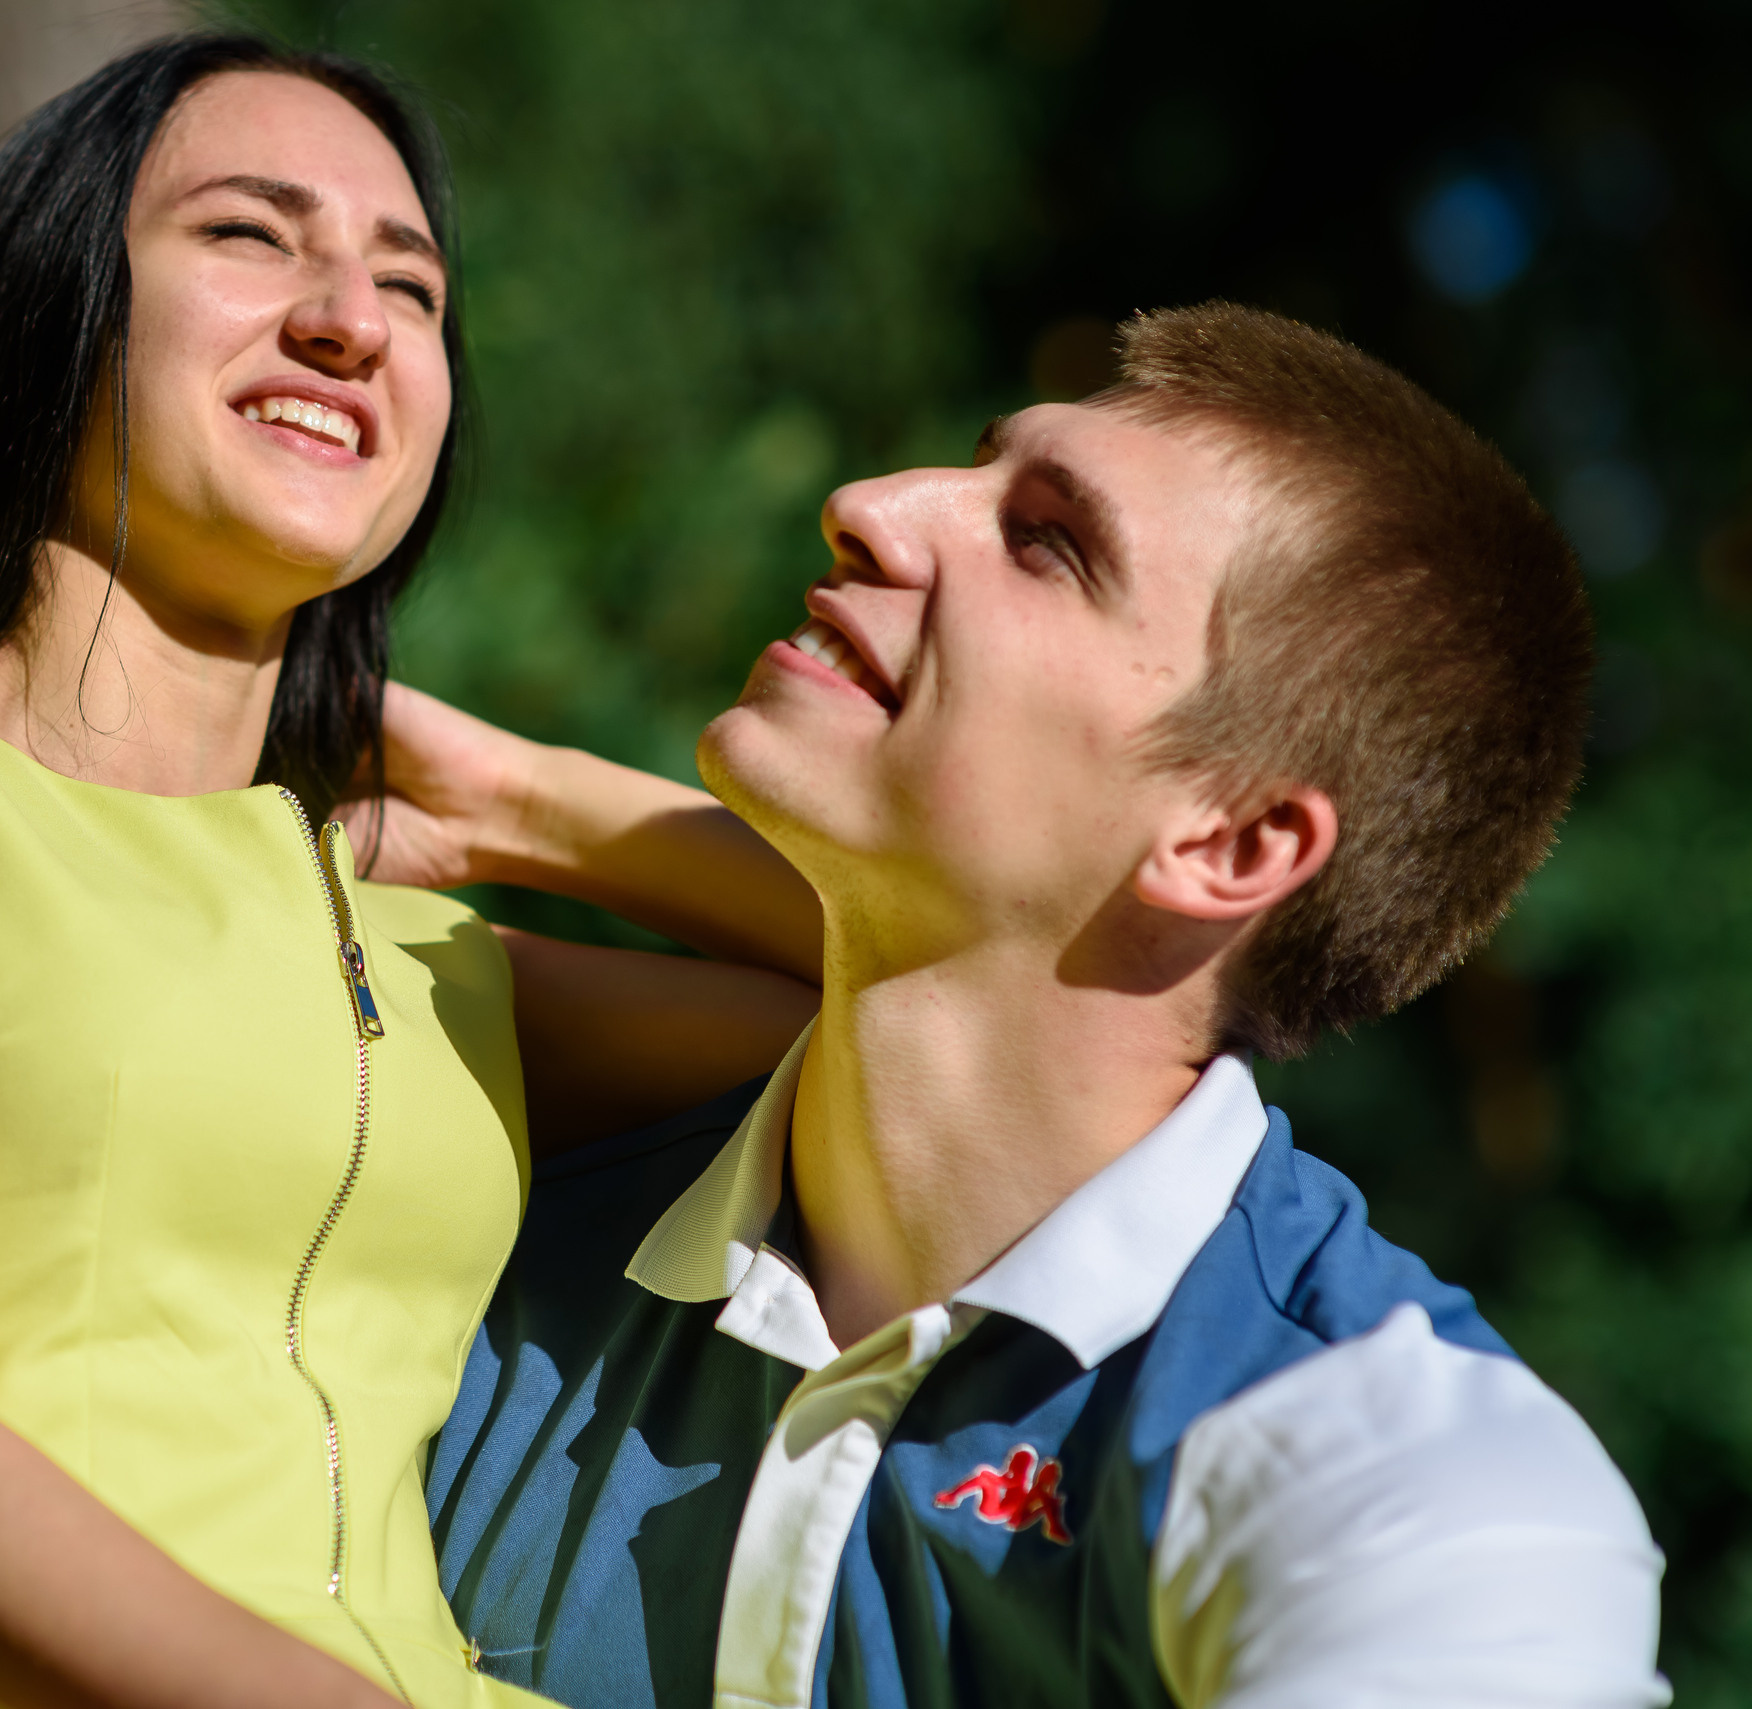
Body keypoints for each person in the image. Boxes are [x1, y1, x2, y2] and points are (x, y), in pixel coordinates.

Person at [0, 34, 813, 1709]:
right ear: (54, 302)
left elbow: (950, 995)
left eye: (414, 287)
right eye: (248, 234)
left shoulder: (406, 952)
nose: (349, 319)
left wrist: (530, 802)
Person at [379, 305, 1670, 1705]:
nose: (868, 506)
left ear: (1230, 843)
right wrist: (506, 802)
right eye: (977, 470)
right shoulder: (480, 1165)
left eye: (1049, 540)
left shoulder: (1411, 1489)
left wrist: (528, 806)